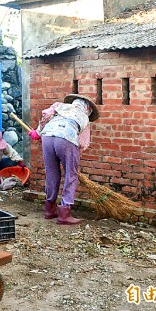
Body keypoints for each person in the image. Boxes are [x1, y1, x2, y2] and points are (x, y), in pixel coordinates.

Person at [28, 94, 99, 225]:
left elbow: (46, 116)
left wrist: (38, 132)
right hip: (67, 138)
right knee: (71, 175)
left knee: (52, 173)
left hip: (47, 136)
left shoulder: (59, 106)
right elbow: (83, 144)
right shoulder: (84, 117)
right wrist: (74, 156)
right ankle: (64, 213)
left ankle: (49, 209)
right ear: (87, 109)